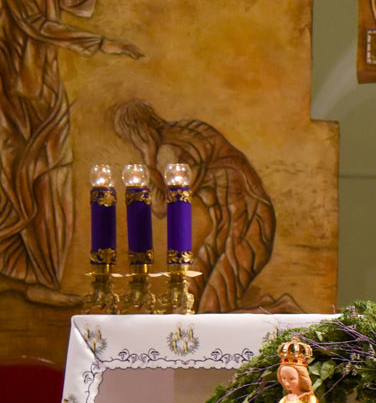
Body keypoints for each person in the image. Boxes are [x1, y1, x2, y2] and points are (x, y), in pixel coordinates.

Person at [0, 0, 144, 306]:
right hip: (26, 80)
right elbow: (35, 24)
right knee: (50, 170)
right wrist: (101, 44)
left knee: (21, 169)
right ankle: (42, 280)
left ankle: (6, 267)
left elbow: (76, 6)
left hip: (32, 75)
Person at [114, 100, 290, 313]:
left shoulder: (172, 150)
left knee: (210, 310)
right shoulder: (187, 130)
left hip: (250, 224)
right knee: (188, 302)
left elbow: (162, 207)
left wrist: (148, 158)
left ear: (138, 132)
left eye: (131, 138)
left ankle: (283, 311)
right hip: (226, 227)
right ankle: (275, 307)